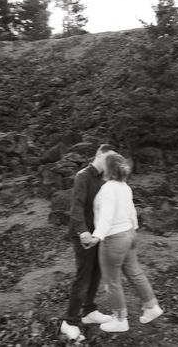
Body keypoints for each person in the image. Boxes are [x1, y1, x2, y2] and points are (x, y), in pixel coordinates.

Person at [86, 152, 163, 333]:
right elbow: (131, 211)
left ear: (108, 168)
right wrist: (133, 229)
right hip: (129, 234)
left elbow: (107, 216)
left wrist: (97, 236)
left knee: (112, 281)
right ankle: (152, 307)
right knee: (135, 272)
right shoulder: (124, 186)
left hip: (114, 239)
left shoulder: (108, 189)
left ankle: (120, 319)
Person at [61, 144, 116, 341]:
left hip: (98, 235)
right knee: (83, 276)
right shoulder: (83, 176)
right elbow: (76, 207)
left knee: (96, 273)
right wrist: (83, 231)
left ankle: (89, 311)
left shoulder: (105, 179)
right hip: (83, 236)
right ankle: (69, 321)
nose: (110, 163)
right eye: (108, 158)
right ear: (99, 155)